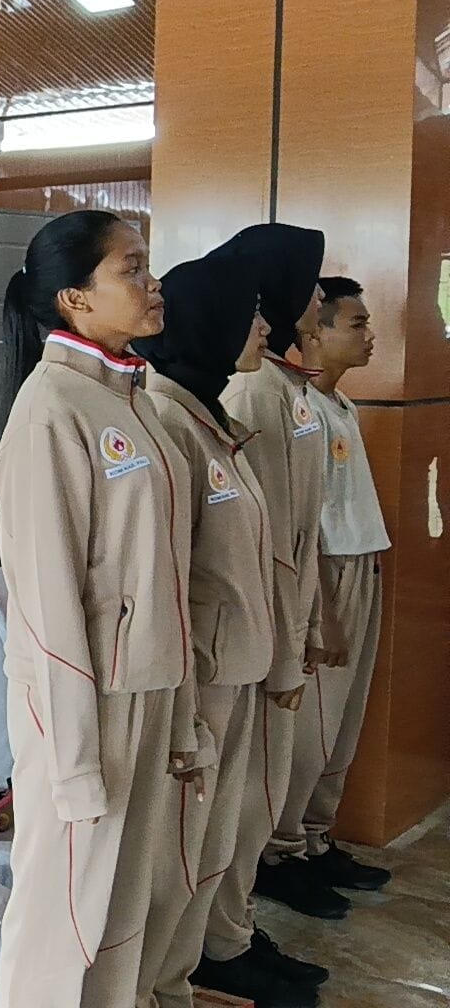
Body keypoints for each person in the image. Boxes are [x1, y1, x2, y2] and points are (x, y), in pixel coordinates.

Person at [0, 210, 198, 1008]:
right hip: (83, 705)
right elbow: (47, 606)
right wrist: (74, 760)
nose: (153, 284)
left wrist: (181, 717)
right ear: (75, 299)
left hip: (144, 687)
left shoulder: (131, 398)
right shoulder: (52, 410)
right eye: (131, 269)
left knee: (121, 912)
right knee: (61, 919)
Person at [135, 236, 319, 1008]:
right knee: (182, 848)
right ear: (207, 323)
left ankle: (199, 962)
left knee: (216, 838)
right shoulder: (169, 422)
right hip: (201, 676)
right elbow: (167, 579)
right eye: (248, 317)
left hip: (235, 663)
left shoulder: (206, 415)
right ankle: (174, 974)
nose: (266, 330)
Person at [216, 227, 350, 925]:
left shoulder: (284, 385)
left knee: (268, 778)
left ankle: (239, 921)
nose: (318, 298)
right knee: (247, 788)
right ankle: (230, 929)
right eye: (311, 284)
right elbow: (260, 536)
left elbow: (301, 522)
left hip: (288, 613)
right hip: (262, 624)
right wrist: (285, 640)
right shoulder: (252, 390)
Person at [277, 276, 393, 895]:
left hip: (361, 565)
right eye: (357, 324)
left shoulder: (340, 404)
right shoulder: (301, 409)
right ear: (314, 334)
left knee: (341, 726)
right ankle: (282, 850)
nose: (370, 335)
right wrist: (322, 609)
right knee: (312, 727)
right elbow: (303, 526)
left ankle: (318, 837)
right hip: (330, 575)